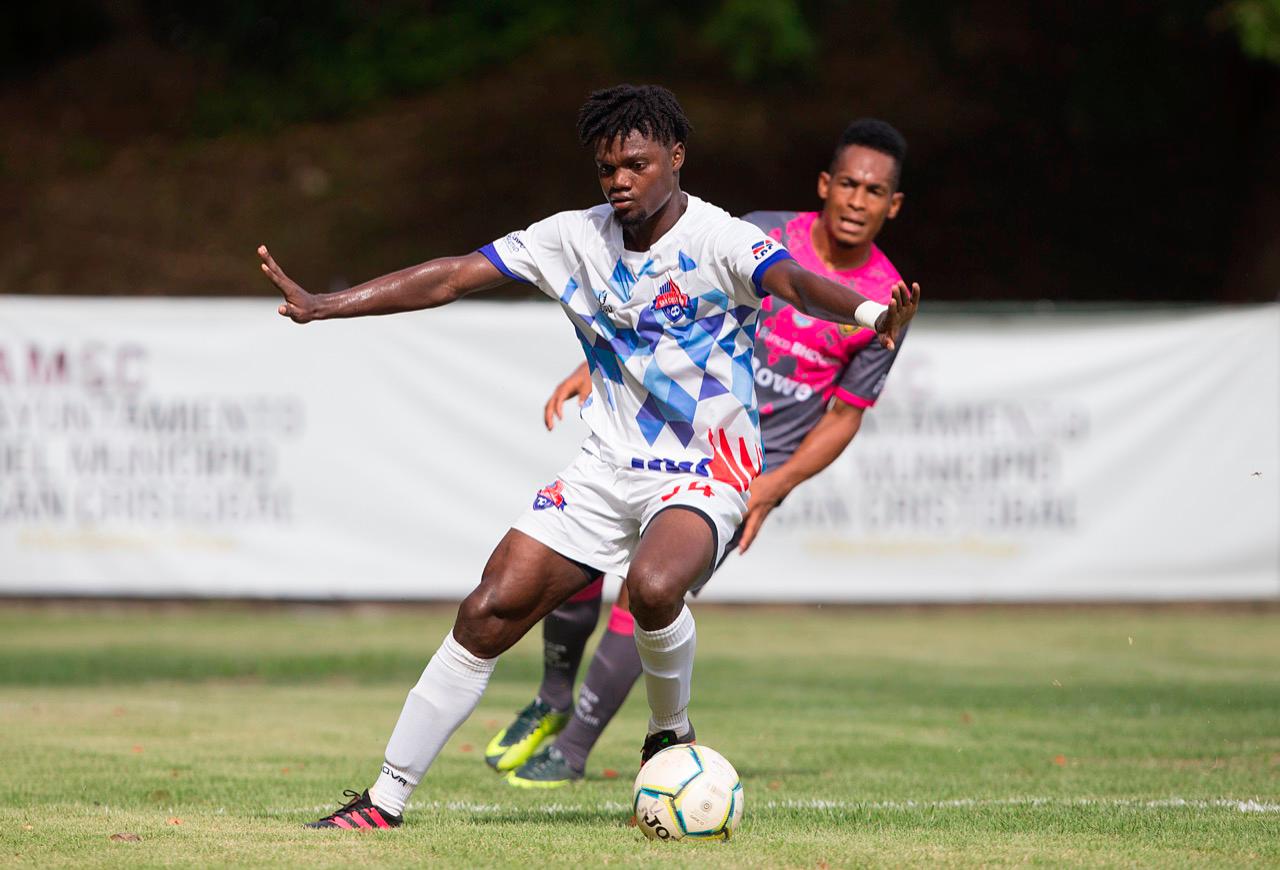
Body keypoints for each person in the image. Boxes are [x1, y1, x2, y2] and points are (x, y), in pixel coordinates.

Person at [258, 85, 919, 831]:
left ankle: (668, 731)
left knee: (653, 584)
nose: (620, 181)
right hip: (607, 467)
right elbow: (450, 275)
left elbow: (793, 282)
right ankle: (384, 800)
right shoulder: (572, 236)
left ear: (675, 158)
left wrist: (866, 311)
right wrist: (327, 304)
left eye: (636, 164)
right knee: (487, 610)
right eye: (607, 168)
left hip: (710, 465)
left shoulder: (720, 238)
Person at [488, 119, 914, 788]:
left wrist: (775, 485)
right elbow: (665, 298)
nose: (859, 202)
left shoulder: (885, 298)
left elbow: (842, 417)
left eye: (876, 191)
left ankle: (568, 752)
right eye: (850, 185)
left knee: (647, 594)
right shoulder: (765, 232)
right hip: (660, 423)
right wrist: (590, 365)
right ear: (826, 186)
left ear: (893, 205)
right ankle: (553, 692)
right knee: (578, 555)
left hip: (732, 470)